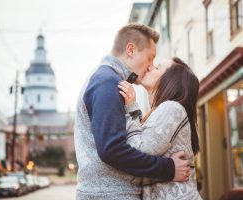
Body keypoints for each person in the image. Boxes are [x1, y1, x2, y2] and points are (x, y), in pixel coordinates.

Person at [74, 24, 190, 200]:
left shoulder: (110, 80)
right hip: (109, 194)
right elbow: (112, 150)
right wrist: (169, 169)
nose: (151, 66)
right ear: (131, 50)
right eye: (150, 58)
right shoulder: (107, 82)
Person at [119, 57, 202, 199]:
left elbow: (138, 151)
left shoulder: (172, 108)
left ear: (171, 81)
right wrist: (170, 169)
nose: (150, 67)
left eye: (157, 67)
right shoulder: (158, 113)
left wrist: (130, 108)